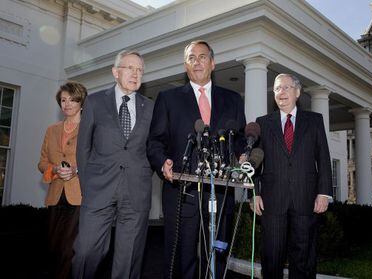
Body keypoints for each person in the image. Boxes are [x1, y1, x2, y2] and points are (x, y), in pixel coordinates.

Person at [147, 40, 246, 279]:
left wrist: (243, 156)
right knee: (183, 253)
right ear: (185, 65)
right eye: (191, 58)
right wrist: (162, 162)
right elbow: (155, 141)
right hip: (181, 189)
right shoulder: (168, 98)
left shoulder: (233, 99)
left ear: (212, 63)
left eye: (202, 57)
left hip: (221, 190)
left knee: (217, 253)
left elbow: (241, 138)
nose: (197, 62)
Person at [72, 50, 154, 279]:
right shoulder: (95, 102)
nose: (135, 74)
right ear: (115, 72)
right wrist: (88, 186)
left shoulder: (151, 107)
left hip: (136, 191)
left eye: (140, 70)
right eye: (130, 68)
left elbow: (154, 147)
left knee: (127, 262)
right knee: (86, 252)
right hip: (98, 190)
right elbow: (83, 148)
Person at [252, 73, 332, 279]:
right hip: (272, 201)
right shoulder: (262, 123)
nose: (281, 92)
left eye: (287, 87)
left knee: (303, 259)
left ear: (297, 92)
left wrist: (324, 193)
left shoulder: (314, 121)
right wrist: (255, 193)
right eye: (277, 88)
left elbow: (323, 157)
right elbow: (255, 163)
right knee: (271, 257)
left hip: (306, 199)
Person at [38, 81, 87, 279]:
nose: (66, 104)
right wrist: (54, 170)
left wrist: (76, 170)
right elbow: (42, 162)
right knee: (53, 248)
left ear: (81, 103)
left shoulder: (89, 128)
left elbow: (96, 162)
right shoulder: (52, 130)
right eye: (63, 100)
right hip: (55, 196)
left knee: (69, 250)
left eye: (72, 100)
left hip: (80, 198)